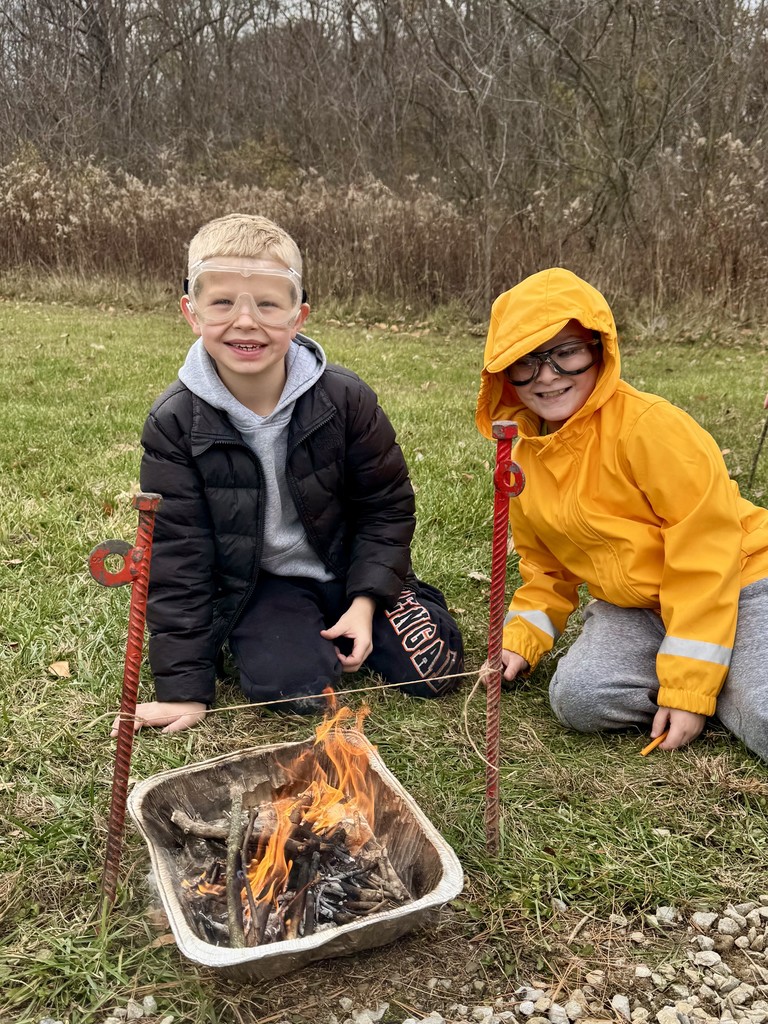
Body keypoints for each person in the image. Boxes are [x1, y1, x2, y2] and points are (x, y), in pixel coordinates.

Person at [112, 213, 463, 735]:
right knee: (293, 688)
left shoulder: (347, 398)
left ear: (299, 317)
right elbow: (179, 556)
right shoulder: (175, 422)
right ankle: (281, 634)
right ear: (191, 312)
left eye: (268, 304)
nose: (246, 321)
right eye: (222, 302)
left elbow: (386, 507)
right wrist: (184, 690)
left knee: (435, 671)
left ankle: (396, 599)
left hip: (349, 565)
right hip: (264, 583)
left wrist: (366, 602)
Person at [475, 267, 768, 761]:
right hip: (639, 607)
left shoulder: (651, 428)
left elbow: (705, 556)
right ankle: (706, 675)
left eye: (566, 352)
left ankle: (710, 679)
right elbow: (546, 568)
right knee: (579, 699)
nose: (547, 375)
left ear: (599, 349)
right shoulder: (521, 458)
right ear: (502, 373)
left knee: (762, 713)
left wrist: (688, 690)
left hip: (737, 581)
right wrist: (519, 640)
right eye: (526, 360)